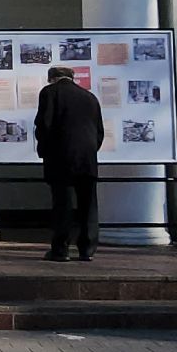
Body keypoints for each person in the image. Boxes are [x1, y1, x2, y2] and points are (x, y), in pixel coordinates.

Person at [32, 65, 105, 262]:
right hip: (87, 158)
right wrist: (90, 150)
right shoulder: (90, 97)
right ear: (72, 78)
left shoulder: (49, 93)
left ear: (52, 78)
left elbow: (44, 124)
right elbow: (99, 131)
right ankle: (87, 249)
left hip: (60, 157)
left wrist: (44, 150)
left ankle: (60, 249)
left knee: (62, 204)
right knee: (88, 204)